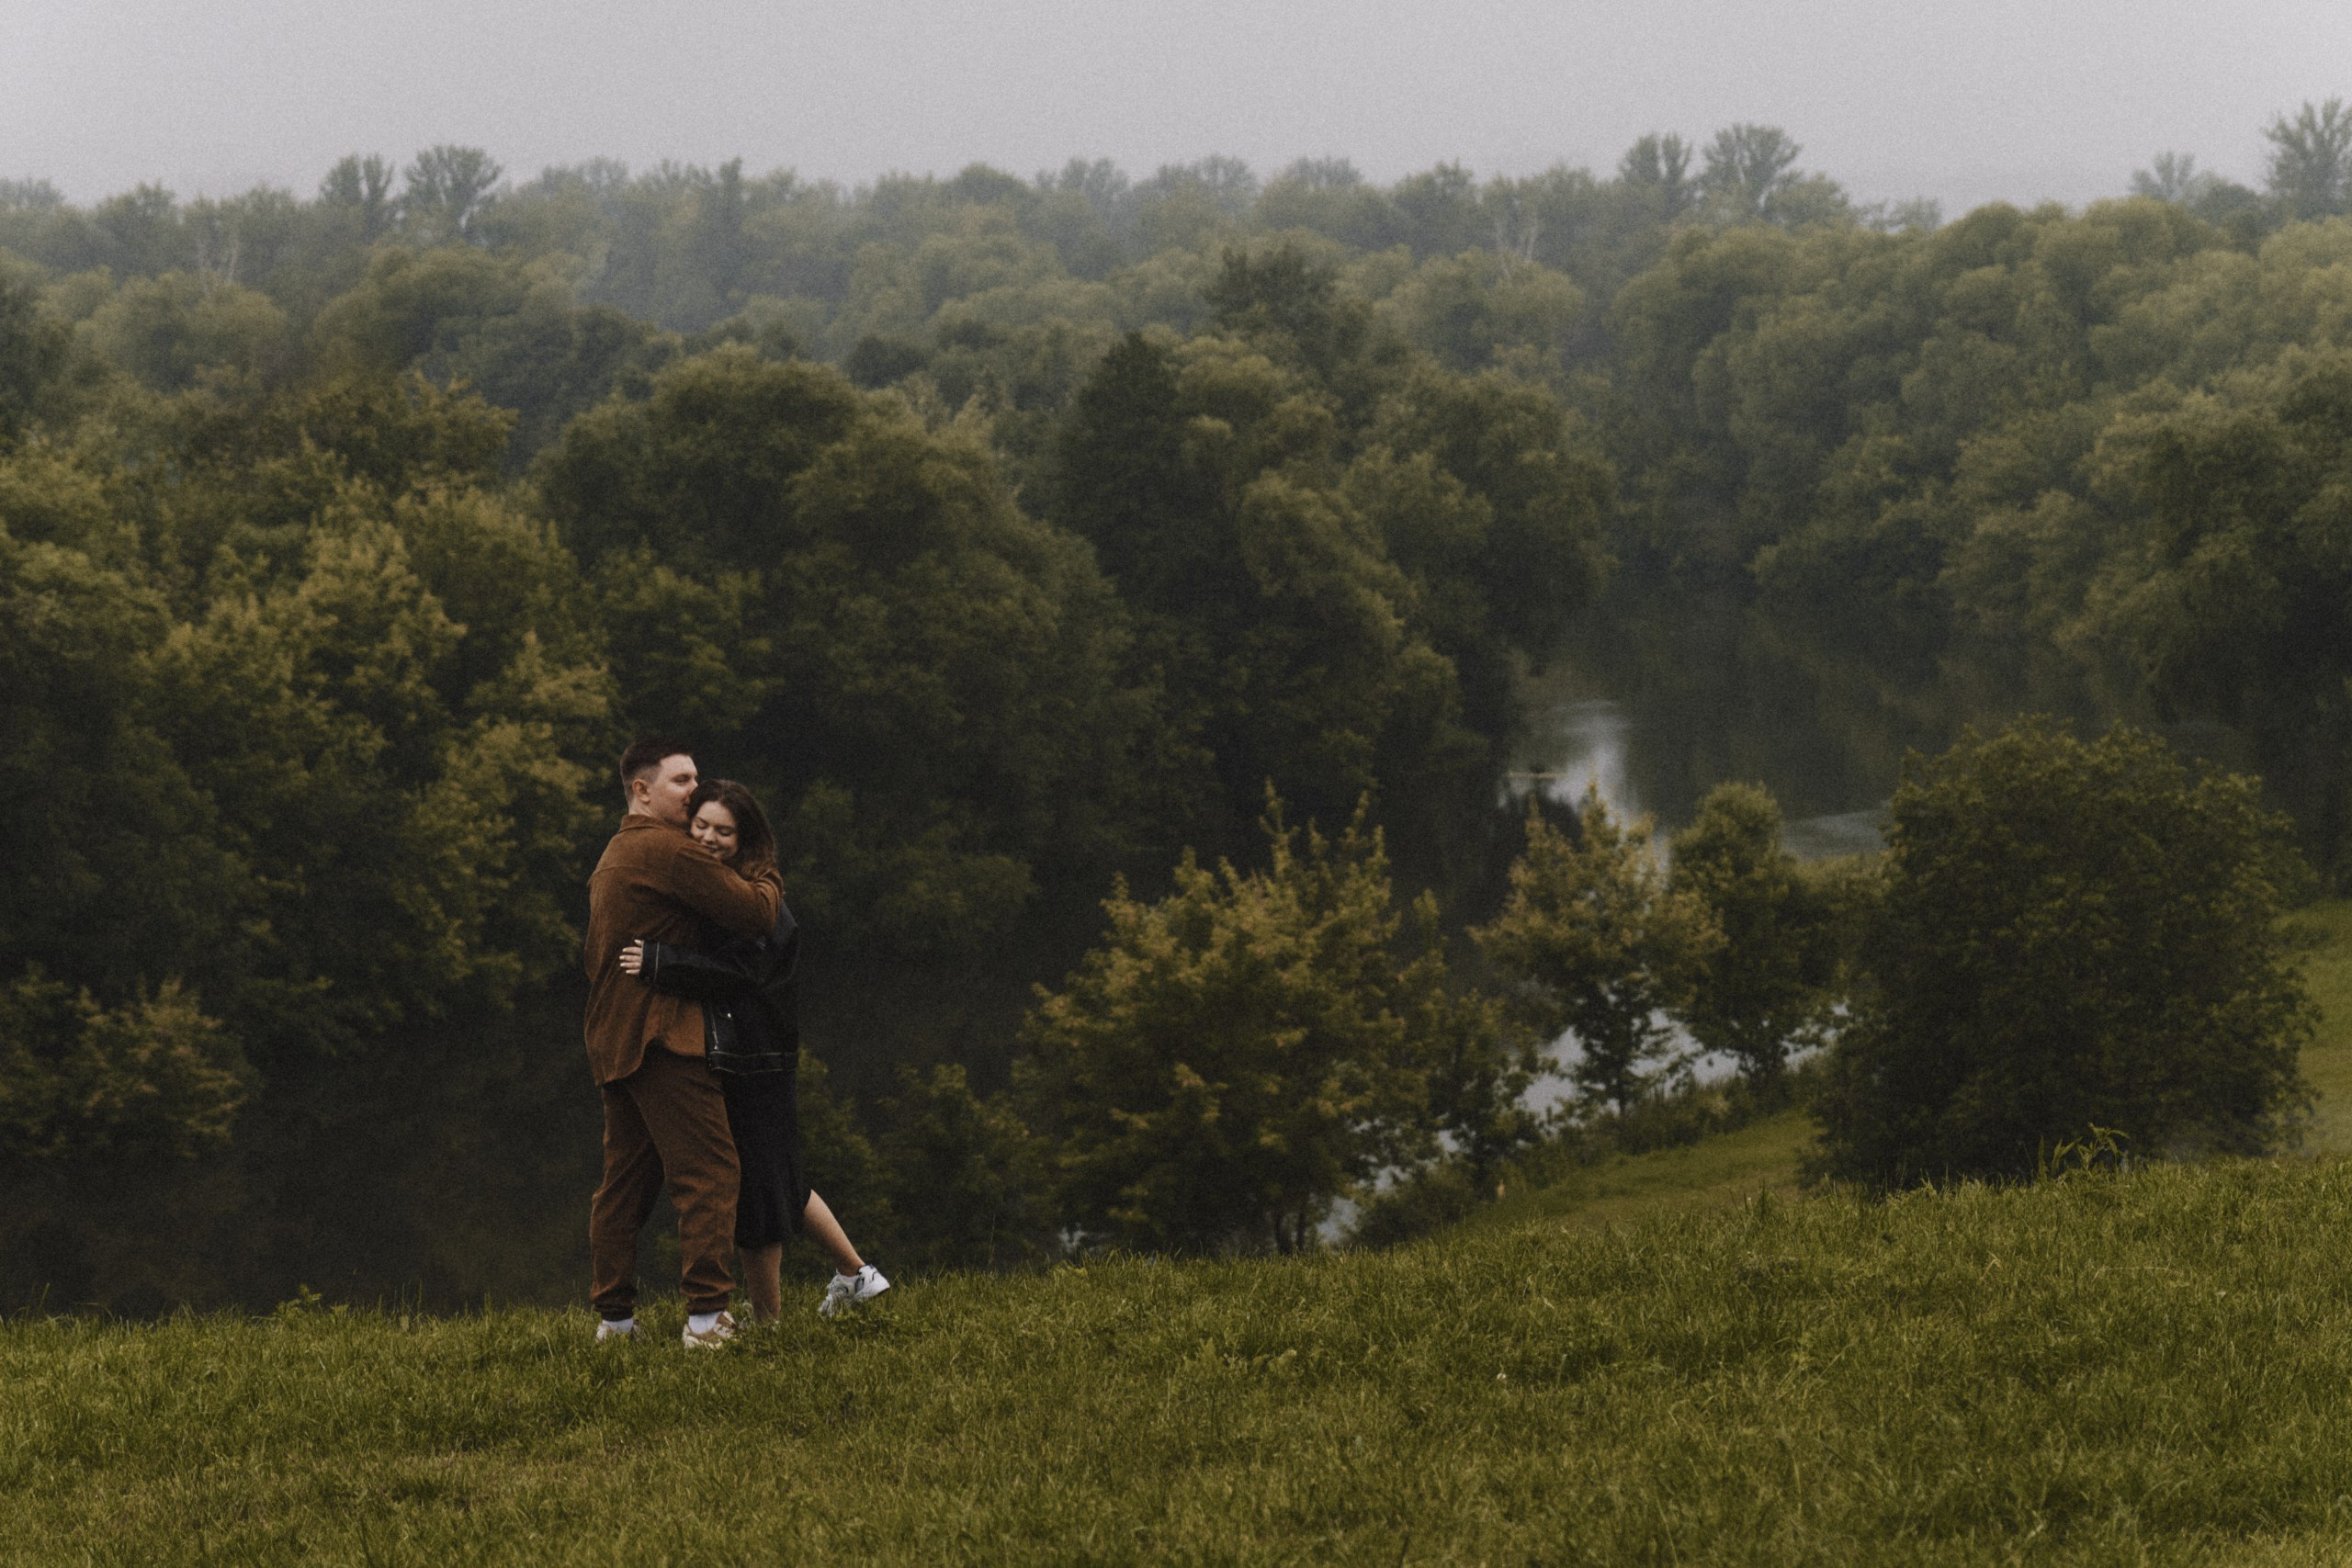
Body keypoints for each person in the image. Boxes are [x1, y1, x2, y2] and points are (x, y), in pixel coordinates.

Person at [619, 779, 889, 1321]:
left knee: (756, 1190)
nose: (710, 838)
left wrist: (661, 963)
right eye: (701, 826)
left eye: (724, 830)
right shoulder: (724, 883)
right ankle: (856, 1275)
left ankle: (770, 1323)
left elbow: (741, 974)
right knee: (780, 1177)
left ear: (747, 838)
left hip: (755, 1059)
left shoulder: (749, 894)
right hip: (758, 1054)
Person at [584, 739, 781, 1348]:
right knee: (711, 1171)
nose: (694, 788)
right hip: (663, 1034)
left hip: (614, 1036)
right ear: (642, 790)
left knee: (626, 1182)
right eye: (681, 779)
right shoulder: (669, 851)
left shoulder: (615, 851)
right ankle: (706, 1319)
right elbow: (755, 913)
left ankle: (614, 1322)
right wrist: (767, 865)